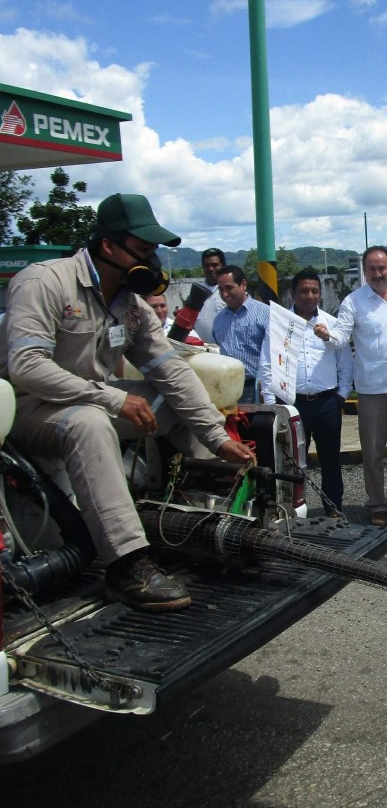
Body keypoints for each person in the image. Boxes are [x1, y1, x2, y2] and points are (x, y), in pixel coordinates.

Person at [0, 193, 253, 611]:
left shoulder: (131, 306)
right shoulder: (43, 282)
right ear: (107, 246)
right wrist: (113, 399)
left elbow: (169, 369)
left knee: (169, 398)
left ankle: (202, 514)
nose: (150, 260)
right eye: (142, 250)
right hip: (29, 408)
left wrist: (217, 439)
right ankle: (127, 565)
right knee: (89, 424)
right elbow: (26, 367)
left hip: (92, 401)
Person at [314, 246, 387, 528]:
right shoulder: (354, 301)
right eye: (371, 269)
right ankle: (377, 504)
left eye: (382, 268)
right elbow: (341, 335)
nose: (377, 273)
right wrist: (327, 334)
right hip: (373, 389)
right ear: (364, 271)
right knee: (373, 452)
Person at [259, 268, 353, 515]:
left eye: (314, 291)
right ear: (292, 293)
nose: (309, 296)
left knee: (330, 461)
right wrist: (271, 404)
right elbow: (267, 364)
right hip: (292, 404)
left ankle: (333, 509)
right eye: (304, 291)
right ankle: (289, 510)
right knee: (290, 462)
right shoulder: (280, 326)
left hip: (326, 404)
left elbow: (345, 362)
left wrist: (341, 396)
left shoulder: (332, 325)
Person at [211, 265, 269, 403]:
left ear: (243, 284)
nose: (224, 294)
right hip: (226, 391)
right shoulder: (219, 320)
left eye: (229, 288)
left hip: (256, 391)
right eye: (220, 289)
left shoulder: (265, 314)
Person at [194, 247, 227, 342]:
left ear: (223, 266)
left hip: (224, 352)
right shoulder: (196, 292)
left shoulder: (232, 293)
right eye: (207, 265)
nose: (210, 269)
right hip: (201, 351)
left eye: (215, 265)